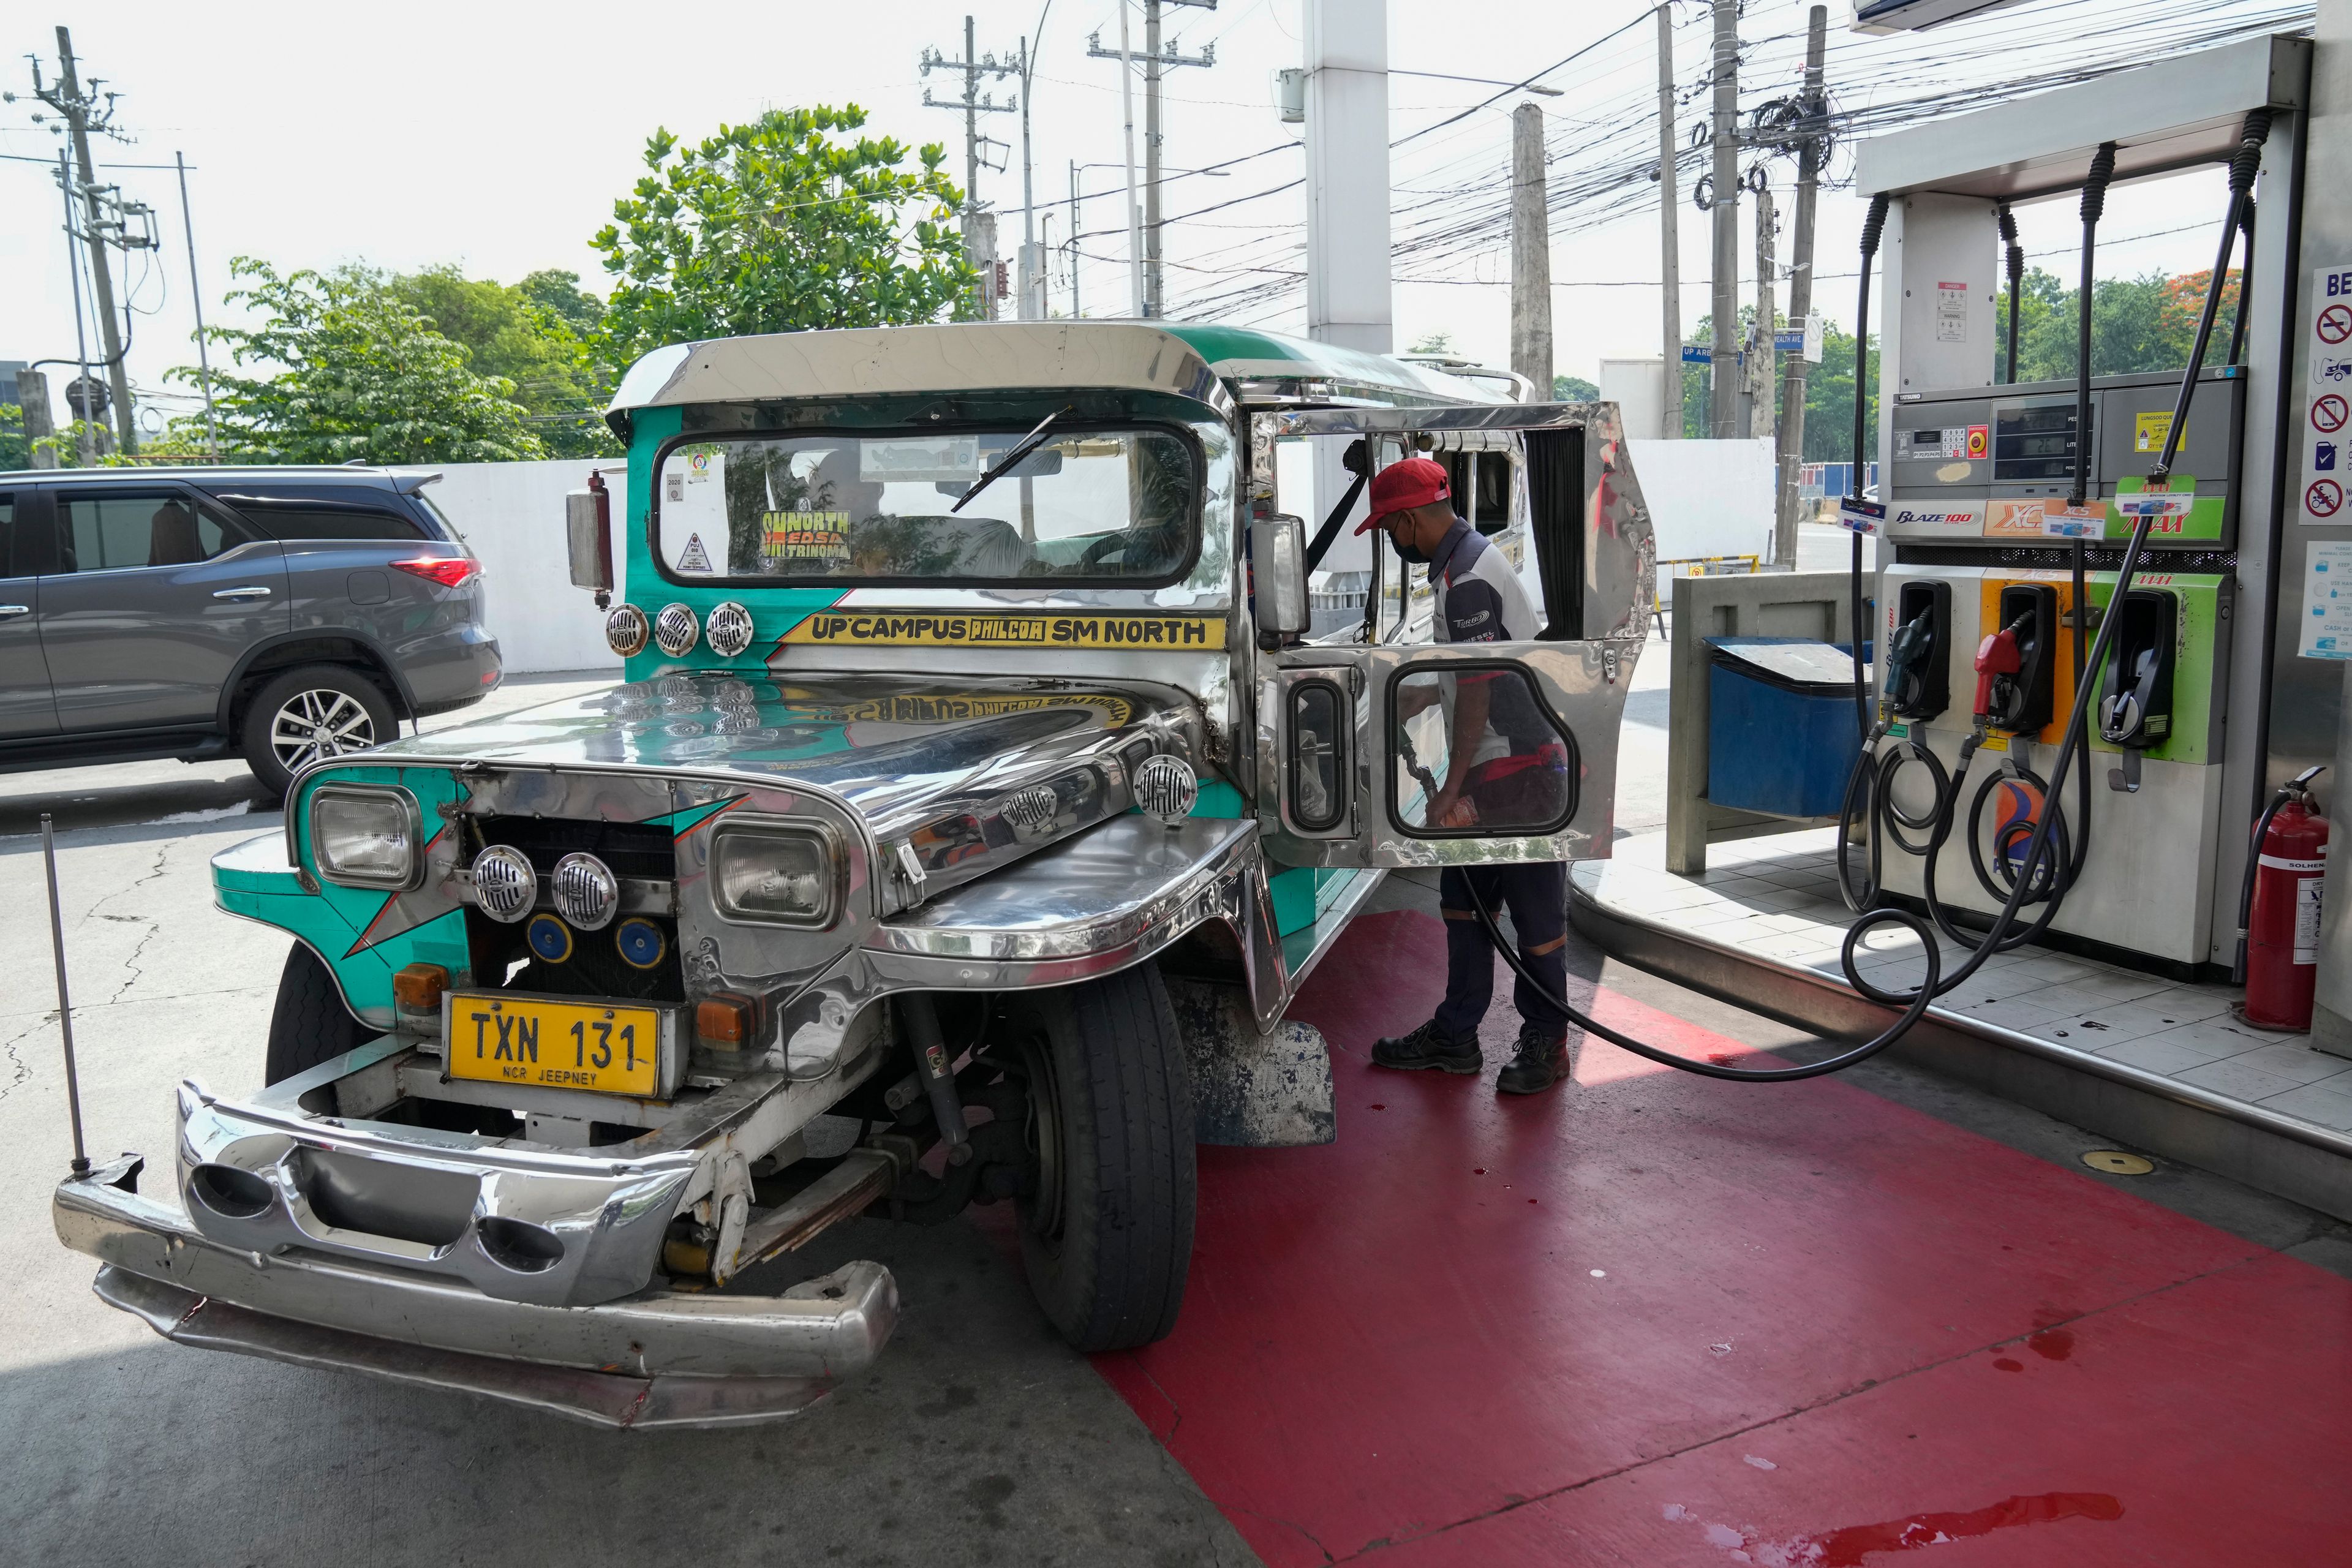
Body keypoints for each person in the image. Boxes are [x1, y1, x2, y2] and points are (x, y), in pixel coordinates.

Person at [1355, 455, 1576, 1096]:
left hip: (1517, 773)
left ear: (1411, 517)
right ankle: (1456, 1034)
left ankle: (1546, 1040)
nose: (1393, 540)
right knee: (1464, 904)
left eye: (1391, 528)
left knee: (1535, 917)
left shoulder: (1468, 577)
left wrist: (1451, 789)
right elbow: (1472, 672)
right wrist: (1422, 694)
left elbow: (1482, 687)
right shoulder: (1464, 561)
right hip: (1496, 766)